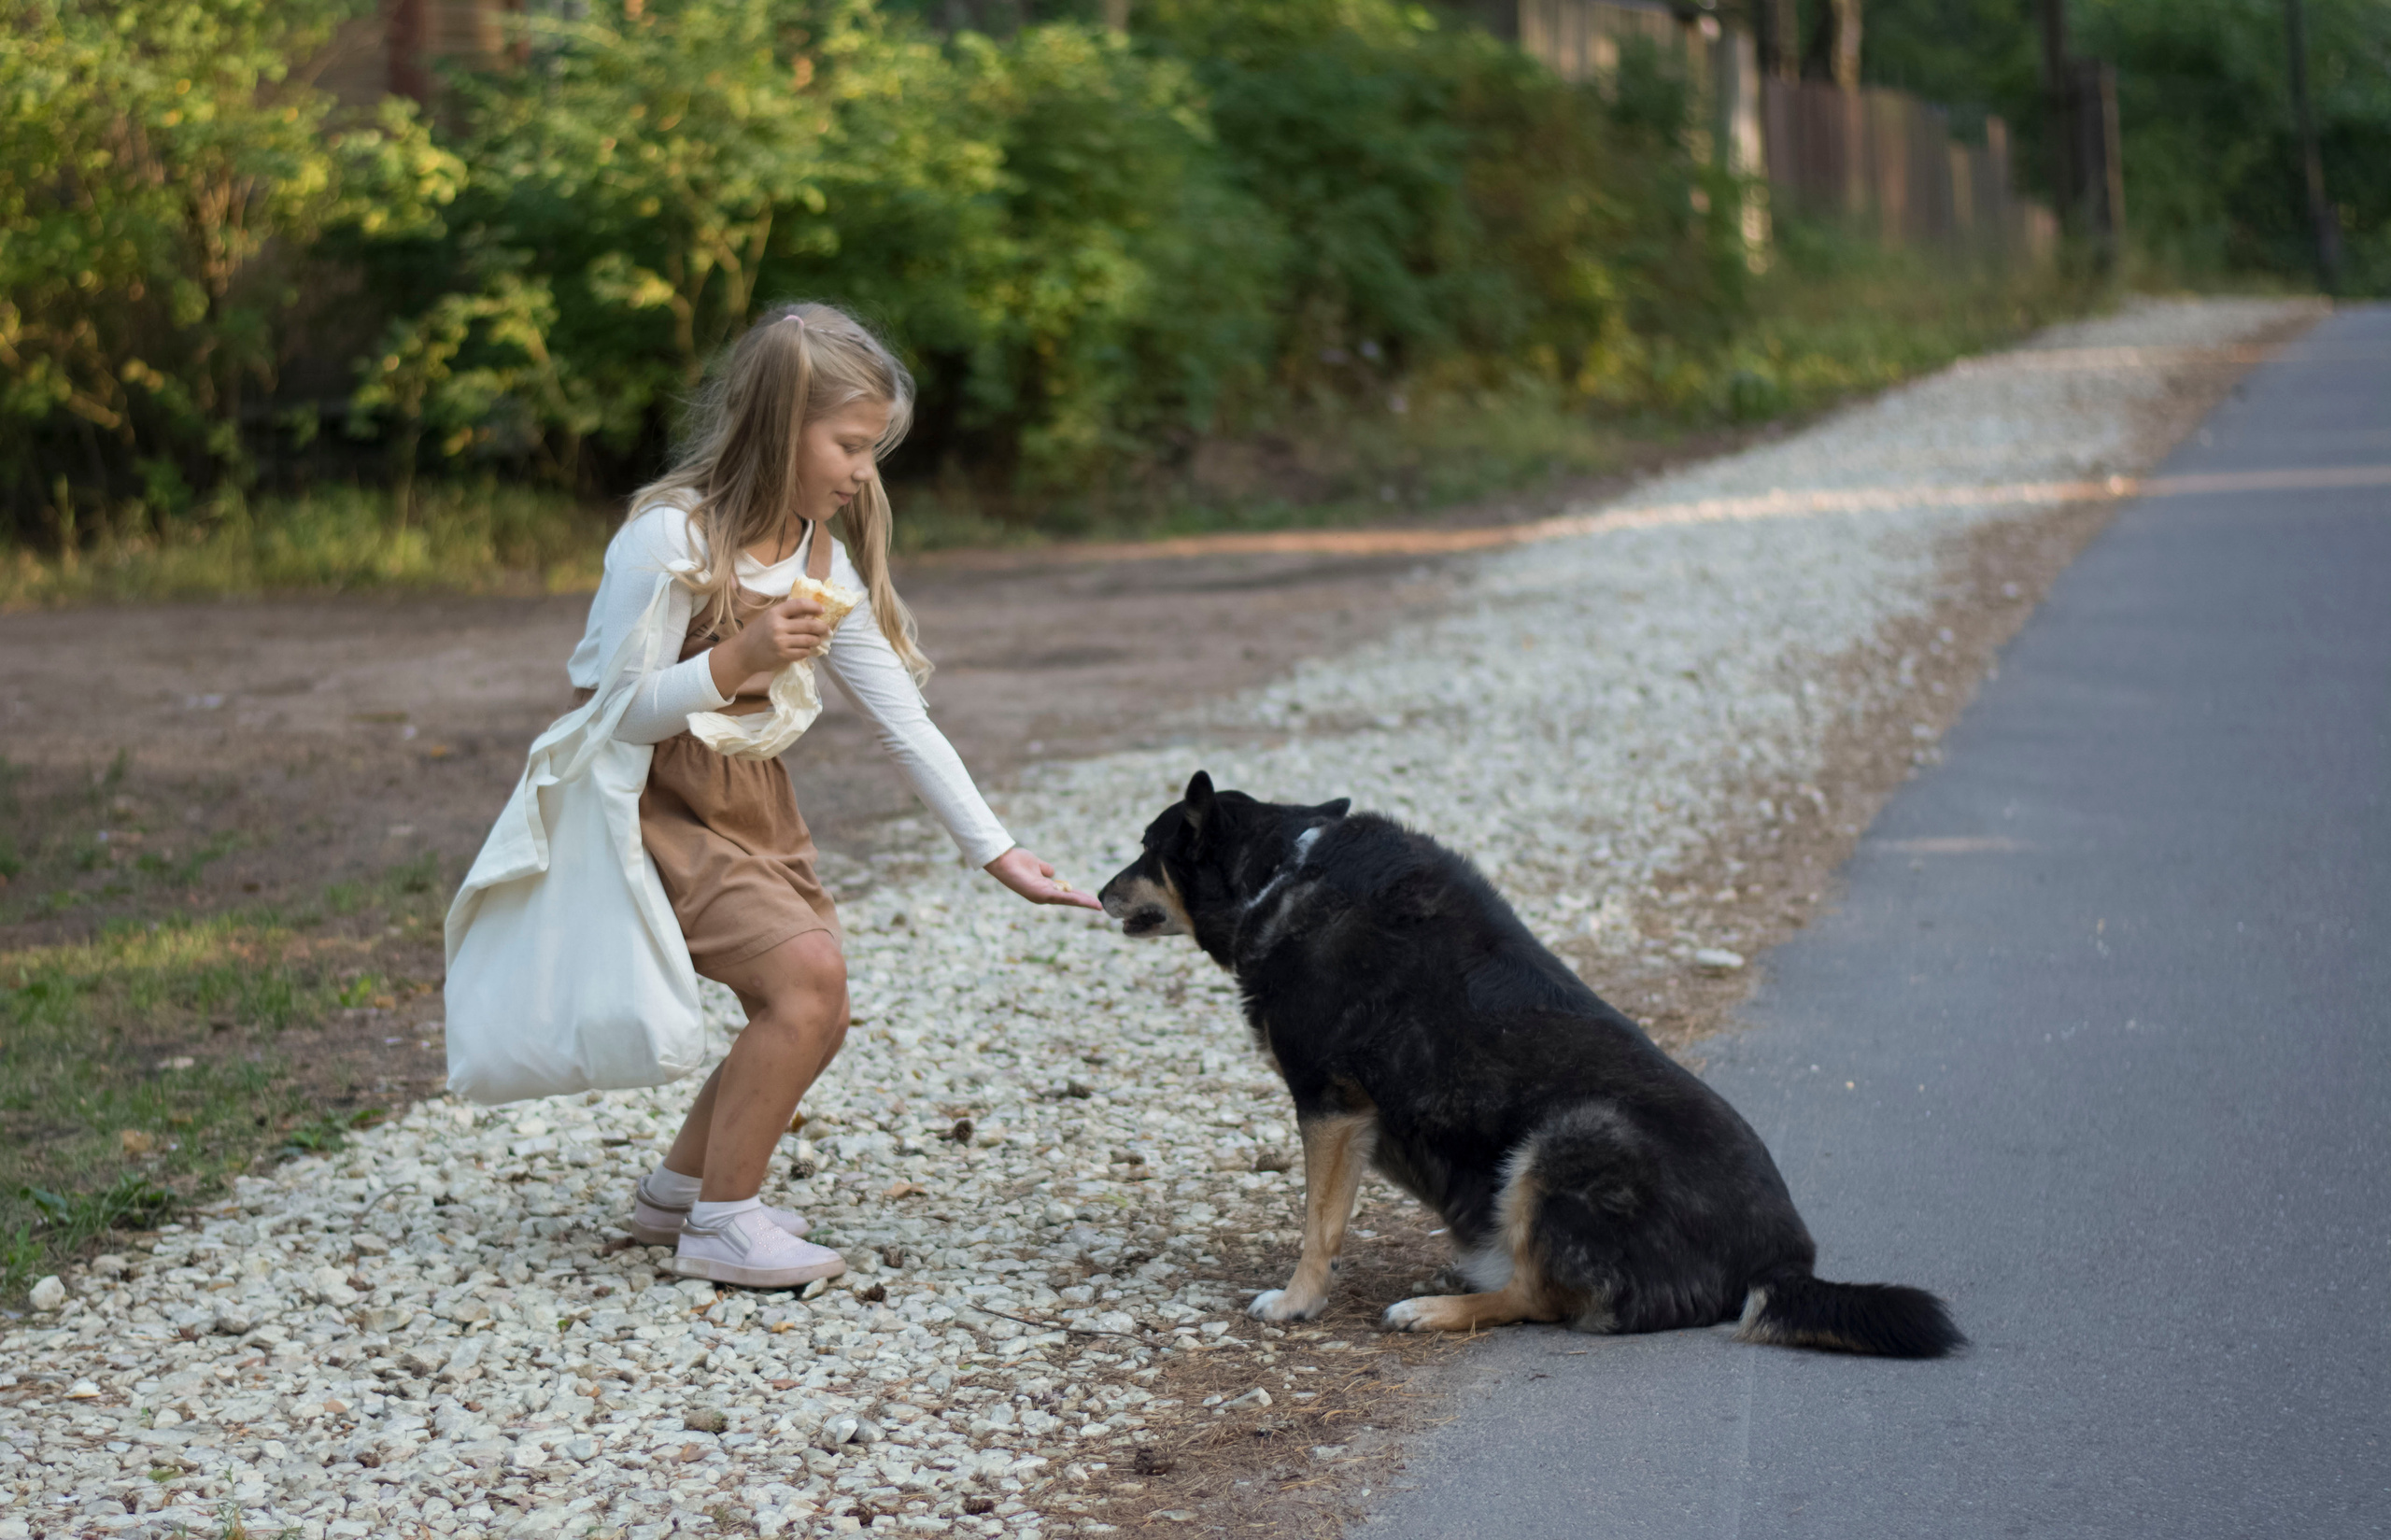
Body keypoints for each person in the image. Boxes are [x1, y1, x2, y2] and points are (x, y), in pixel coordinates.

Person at [566, 302, 1100, 1289]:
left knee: (815, 999)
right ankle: (724, 1225)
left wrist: (996, 851)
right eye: (850, 444)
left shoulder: (821, 555)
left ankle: (677, 1192)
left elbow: (904, 716)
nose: (864, 470)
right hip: (652, 798)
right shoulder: (669, 538)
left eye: (874, 449)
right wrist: (736, 657)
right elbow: (611, 712)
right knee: (804, 985)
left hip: (749, 798)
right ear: (780, 426)